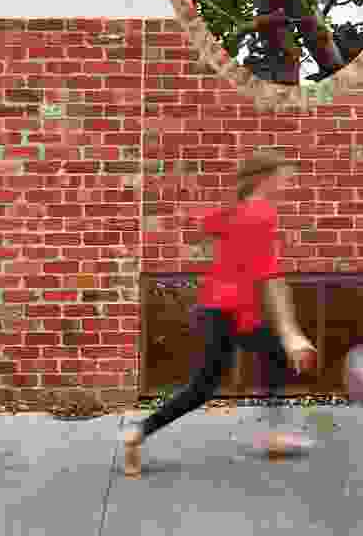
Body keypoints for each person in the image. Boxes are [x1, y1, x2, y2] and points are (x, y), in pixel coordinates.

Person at [123, 151, 318, 477]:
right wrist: (291, 332)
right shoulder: (261, 215)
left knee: (250, 365)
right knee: (211, 383)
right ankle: (137, 433)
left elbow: (208, 226)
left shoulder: (236, 213)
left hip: (218, 306)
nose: (287, 184)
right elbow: (271, 277)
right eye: (283, 177)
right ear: (264, 178)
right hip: (233, 311)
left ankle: (138, 434)